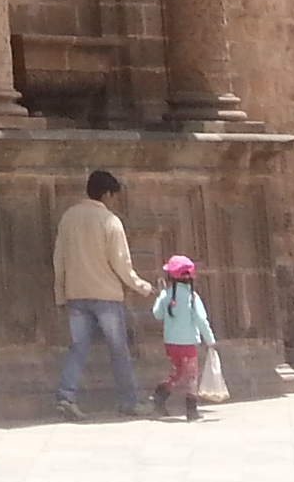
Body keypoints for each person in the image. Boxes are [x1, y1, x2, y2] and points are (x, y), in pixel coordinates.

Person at [51, 168, 155, 420]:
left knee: (78, 347)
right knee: (118, 350)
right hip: (106, 295)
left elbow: (59, 259)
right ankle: (128, 401)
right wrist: (141, 286)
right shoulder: (110, 222)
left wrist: (60, 292)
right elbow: (121, 263)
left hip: (76, 294)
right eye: (113, 196)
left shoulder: (68, 217)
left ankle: (66, 395)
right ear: (107, 194)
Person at [148, 254, 216, 422]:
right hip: (188, 344)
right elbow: (201, 320)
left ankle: (159, 397)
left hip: (171, 343)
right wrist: (210, 340)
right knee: (192, 375)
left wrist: (161, 295)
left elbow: (157, 314)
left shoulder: (165, 296)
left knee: (177, 372)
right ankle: (191, 410)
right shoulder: (193, 298)